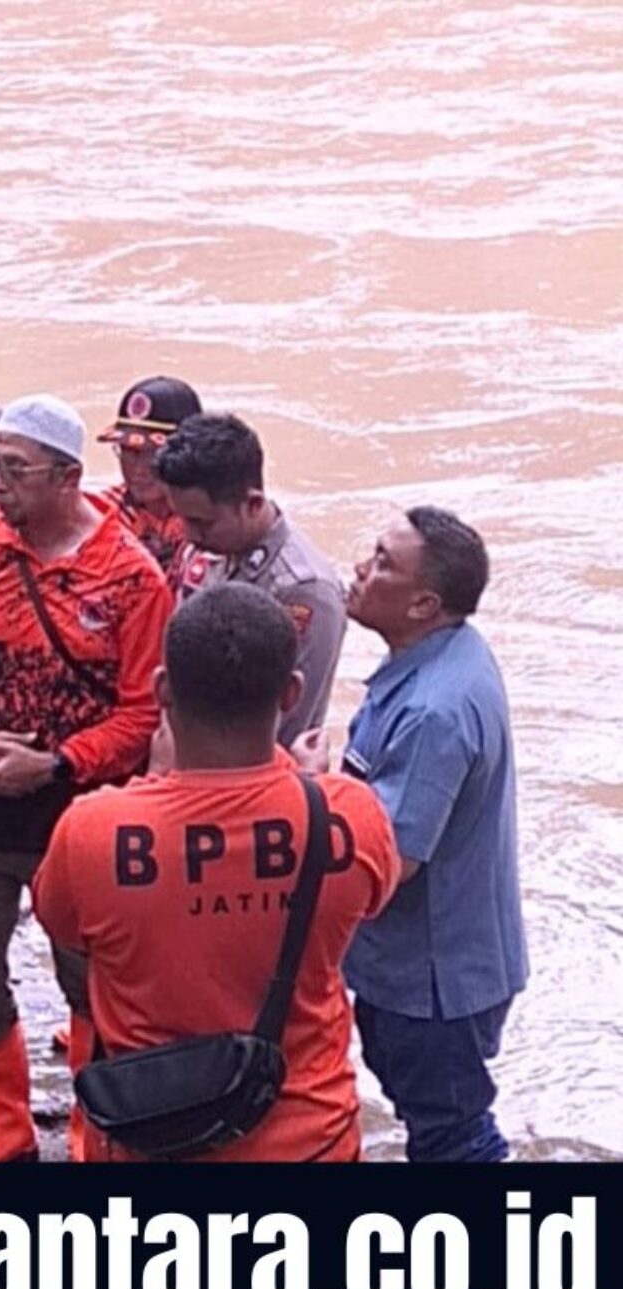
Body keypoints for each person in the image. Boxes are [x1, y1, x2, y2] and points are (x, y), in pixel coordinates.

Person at [33, 582, 400, 1162]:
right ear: (291, 694)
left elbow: (65, 927)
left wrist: (154, 784)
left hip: (150, 1138)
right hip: (312, 1141)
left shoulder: (91, 831)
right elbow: (371, 902)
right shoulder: (349, 816)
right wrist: (299, 784)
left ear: (161, 691)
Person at [0, 393, 172, 1162]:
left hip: (81, 810)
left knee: (93, 980)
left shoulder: (132, 577)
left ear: (66, 478)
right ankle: (6, 1123)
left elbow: (140, 711)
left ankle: (96, 1121)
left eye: (15, 469)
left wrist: (56, 764)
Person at [336, 507, 528, 1162]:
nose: (363, 567)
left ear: (424, 603)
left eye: (385, 562)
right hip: (440, 960)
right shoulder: (450, 654)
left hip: (433, 978)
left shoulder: (434, 708)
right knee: (441, 1119)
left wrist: (309, 800)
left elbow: (394, 859)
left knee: (454, 1136)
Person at [157, 412, 346, 746]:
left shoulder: (304, 592)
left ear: (253, 503)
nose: (189, 536)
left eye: (202, 523)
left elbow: (290, 728)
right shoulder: (209, 548)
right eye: (183, 519)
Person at [95, 375, 201, 582]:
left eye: (152, 454)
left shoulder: (213, 520)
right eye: (128, 452)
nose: (138, 469)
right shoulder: (101, 514)